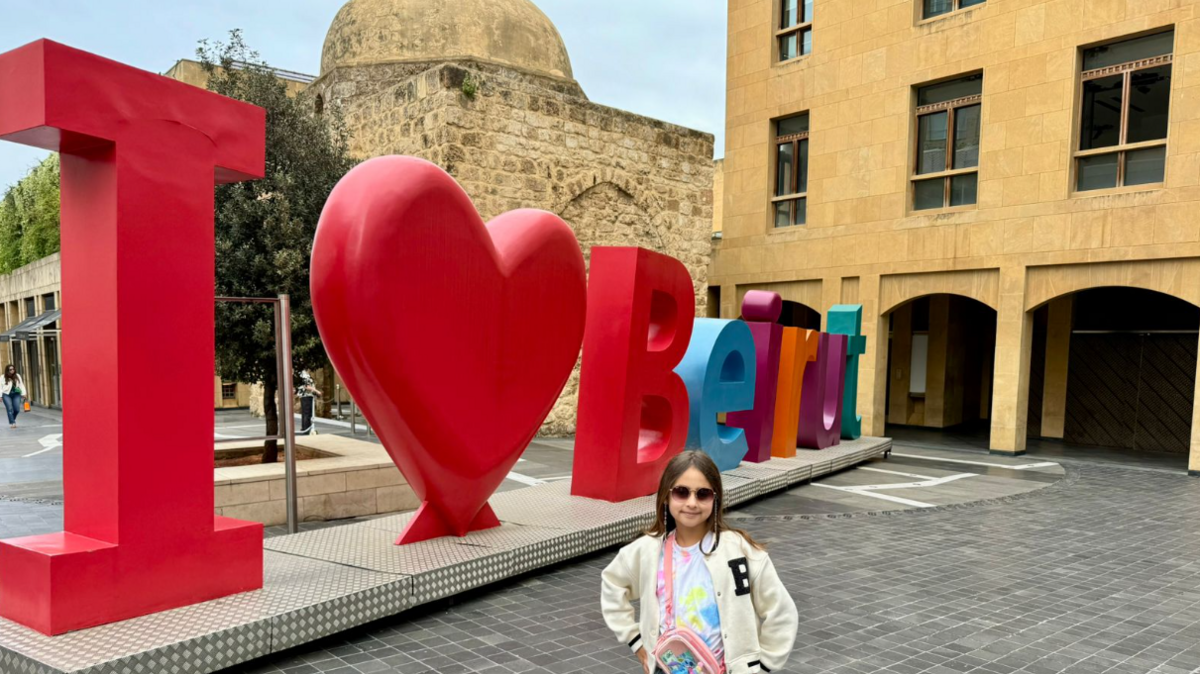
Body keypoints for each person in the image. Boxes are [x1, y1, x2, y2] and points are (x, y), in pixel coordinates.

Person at [601, 451, 799, 674]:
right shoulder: (648, 550)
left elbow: (782, 612)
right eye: (681, 492)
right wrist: (635, 640)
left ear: (715, 498)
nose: (692, 503)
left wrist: (762, 666)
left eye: (703, 494)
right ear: (666, 496)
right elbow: (613, 583)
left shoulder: (738, 551)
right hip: (667, 667)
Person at [2, 364, 26, 429]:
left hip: (16, 394)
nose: (12, 370)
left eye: (13, 369)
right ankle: (13, 423)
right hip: (6, 394)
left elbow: (21, 385)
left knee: (17, 409)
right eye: (10, 369)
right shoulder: (3, 377)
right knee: (9, 409)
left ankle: (12, 419)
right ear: (7, 370)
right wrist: (0, 396)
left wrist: (23, 393)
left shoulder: (17, 376)